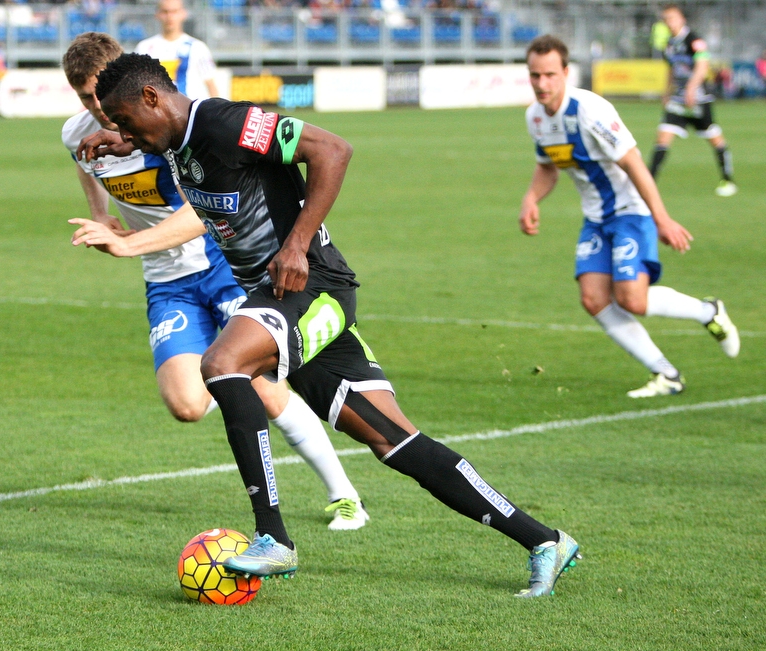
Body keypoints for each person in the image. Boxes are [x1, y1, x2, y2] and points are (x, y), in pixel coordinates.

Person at [71, 52, 582, 598]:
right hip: (285, 298)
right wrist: (128, 142)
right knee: (395, 443)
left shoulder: (226, 120)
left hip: (312, 286)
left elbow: (333, 149)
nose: (121, 132)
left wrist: (295, 244)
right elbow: (189, 156)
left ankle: (274, 538)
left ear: (152, 98)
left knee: (221, 365)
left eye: (124, 120)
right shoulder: (177, 142)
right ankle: (545, 541)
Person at [60, 33, 368, 531]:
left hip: (219, 267)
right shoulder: (82, 134)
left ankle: (343, 494)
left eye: (100, 94)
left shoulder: (165, 130)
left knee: (256, 383)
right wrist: (101, 215)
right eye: (83, 97)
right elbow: (85, 167)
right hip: (167, 282)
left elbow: (201, 214)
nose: (95, 107)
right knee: (186, 403)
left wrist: (130, 243)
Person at [520, 35, 740, 398]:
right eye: (535, 76)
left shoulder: (590, 110)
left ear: (565, 72)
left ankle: (707, 311)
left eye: (549, 75)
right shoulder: (535, 117)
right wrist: (531, 198)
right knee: (592, 298)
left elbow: (634, 162)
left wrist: (661, 218)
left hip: (631, 211)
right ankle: (666, 373)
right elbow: (548, 166)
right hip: (595, 217)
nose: (542, 84)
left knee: (632, 299)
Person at [649, 4, 736, 197]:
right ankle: (648, 185)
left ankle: (727, 179)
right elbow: (671, 69)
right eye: (666, 19)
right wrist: (667, 92)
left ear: (682, 19)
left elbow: (702, 66)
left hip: (698, 98)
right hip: (677, 99)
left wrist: (691, 89)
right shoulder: (669, 43)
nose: (669, 22)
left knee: (714, 138)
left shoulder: (694, 40)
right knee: (662, 138)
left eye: (672, 18)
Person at [135, 0, 218, 100]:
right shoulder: (144, 47)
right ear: (157, 14)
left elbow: (211, 84)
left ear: (184, 14)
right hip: (156, 112)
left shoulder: (197, 47)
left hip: (189, 111)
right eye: (165, 12)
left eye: (174, 11)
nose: (170, 17)